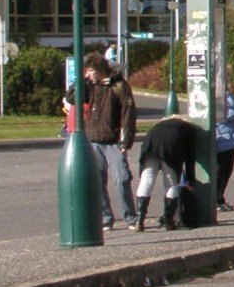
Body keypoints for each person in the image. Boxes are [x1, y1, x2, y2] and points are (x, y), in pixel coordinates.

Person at [78, 54, 134, 231]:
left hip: (113, 141)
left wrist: (126, 142)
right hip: (93, 140)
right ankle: (105, 218)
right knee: (98, 181)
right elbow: (72, 97)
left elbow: (128, 114)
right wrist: (82, 80)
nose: (89, 74)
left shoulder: (118, 86)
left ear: (100, 69)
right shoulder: (91, 86)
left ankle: (130, 216)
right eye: (87, 71)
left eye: (91, 70)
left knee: (122, 178)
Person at [132, 114, 210, 230]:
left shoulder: (160, 125)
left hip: (150, 147)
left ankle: (139, 220)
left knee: (146, 180)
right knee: (171, 184)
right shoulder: (187, 129)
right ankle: (169, 221)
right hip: (171, 150)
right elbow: (190, 157)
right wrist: (190, 178)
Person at [214, 68, 234, 210]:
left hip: (231, 137)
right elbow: (222, 113)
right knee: (220, 170)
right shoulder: (216, 94)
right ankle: (215, 199)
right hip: (221, 136)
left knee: (227, 170)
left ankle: (220, 197)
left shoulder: (228, 94)